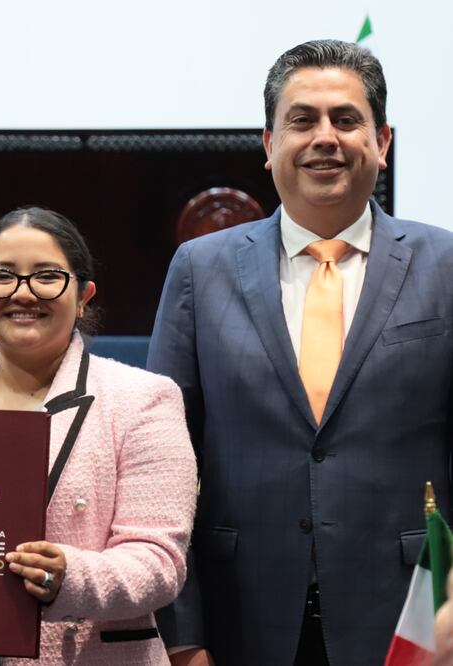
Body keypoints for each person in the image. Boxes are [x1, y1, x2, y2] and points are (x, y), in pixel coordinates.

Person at [148, 39, 453, 666]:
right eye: (302, 120)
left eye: (346, 120)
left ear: (383, 142)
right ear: (268, 145)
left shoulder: (446, 265)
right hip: (242, 616)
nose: (325, 138)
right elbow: (161, 464)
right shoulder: (200, 270)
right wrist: (182, 635)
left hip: (416, 616)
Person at [0, 208, 198, 664]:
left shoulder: (143, 398)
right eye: (2, 276)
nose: (23, 293)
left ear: (83, 296)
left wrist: (69, 578)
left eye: (46, 277)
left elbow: (159, 563)